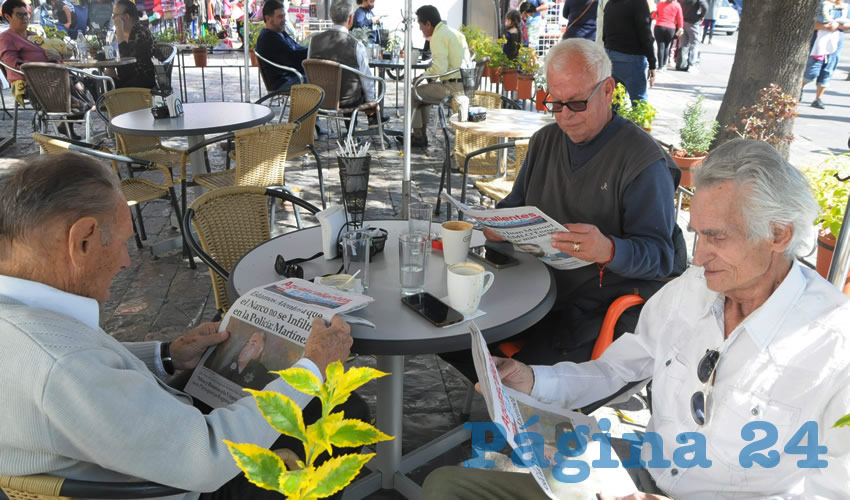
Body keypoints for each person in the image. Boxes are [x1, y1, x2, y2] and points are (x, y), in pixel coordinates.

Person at [423, 138, 850, 499]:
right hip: (639, 476)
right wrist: (532, 380)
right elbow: (616, 369)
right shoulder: (691, 291)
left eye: (717, 237)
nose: (698, 257)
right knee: (445, 485)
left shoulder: (833, 345)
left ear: (778, 235)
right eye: (697, 234)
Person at [0, 152, 369, 499]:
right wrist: (312, 366)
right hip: (179, 484)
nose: (127, 262)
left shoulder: (24, 321)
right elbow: (207, 459)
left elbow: (89, 371)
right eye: (124, 243)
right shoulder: (64, 366)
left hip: (136, 445)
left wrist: (168, 355)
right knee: (344, 410)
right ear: (82, 240)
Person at [440, 39, 684, 381]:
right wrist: (496, 225)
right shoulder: (546, 141)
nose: (565, 115)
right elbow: (514, 205)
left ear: (607, 90)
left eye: (576, 103)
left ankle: (522, 413)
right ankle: (501, 400)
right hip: (532, 288)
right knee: (445, 328)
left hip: (592, 309)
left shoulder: (642, 163)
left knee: (525, 375)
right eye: (555, 102)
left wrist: (609, 250)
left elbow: (661, 256)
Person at [309, 0, 385, 125]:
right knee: (359, 85)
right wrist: (371, 103)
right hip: (348, 101)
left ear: (332, 16)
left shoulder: (314, 41)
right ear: (351, 18)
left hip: (320, 98)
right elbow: (367, 79)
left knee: (352, 84)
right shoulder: (355, 45)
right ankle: (357, 129)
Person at [409, 4, 472, 147]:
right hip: (465, 86)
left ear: (428, 23)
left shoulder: (438, 36)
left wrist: (421, 77)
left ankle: (418, 135)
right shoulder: (455, 33)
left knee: (412, 93)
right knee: (423, 93)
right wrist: (428, 77)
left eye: (421, 25)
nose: (420, 30)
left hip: (452, 88)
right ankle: (420, 135)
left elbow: (439, 69)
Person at [602, 0, 656, 102]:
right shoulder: (638, 3)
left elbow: (604, 34)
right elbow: (646, 35)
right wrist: (652, 63)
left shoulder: (610, 3)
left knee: (615, 101)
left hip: (611, 54)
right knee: (639, 102)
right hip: (631, 57)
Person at [803, 0, 850, 109]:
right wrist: (825, 27)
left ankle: (818, 98)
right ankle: (798, 89)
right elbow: (810, 23)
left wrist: (837, 25)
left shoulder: (845, 5)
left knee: (828, 68)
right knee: (812, 70)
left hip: (836, 40)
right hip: (818, 39)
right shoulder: (820, 4)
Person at [255, 0, 307, 92]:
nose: (284, 19)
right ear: (268, 18)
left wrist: (314, 49)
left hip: (292, 76)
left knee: (323, 76)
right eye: (280, 16)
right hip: (283, 82)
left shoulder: (279, 32)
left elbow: (297, 48)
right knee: (323, 79)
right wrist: (313, 51)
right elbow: (293, 58)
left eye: (284, 16)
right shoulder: (268, 38)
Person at [111, 0, 156, 89]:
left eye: (115, 15)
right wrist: (110, 68)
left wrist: (119, 29)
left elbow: (126, 57)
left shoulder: (141, 32)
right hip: (126, 78)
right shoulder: (119, 34)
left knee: (106, 85)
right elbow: (113, 54)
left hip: (141, 80)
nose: (113, 18)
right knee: (99, 81)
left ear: (126, 17)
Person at [675, 0, 707, 71]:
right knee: (694, 43)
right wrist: (701, 15)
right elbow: (705, 6)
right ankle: (692, 64)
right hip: (693, 21)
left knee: (683, 44)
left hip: (683, 21)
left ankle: (681, 64)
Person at [652, 0, 683, 71]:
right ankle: (664, 65)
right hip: (671, 28)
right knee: (667, 46)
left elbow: (653, 15)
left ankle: (660, 66)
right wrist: (681, 27)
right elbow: (680, 17)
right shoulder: (677, 5)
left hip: (659, 26)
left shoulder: (660, 4)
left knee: (660, 47)